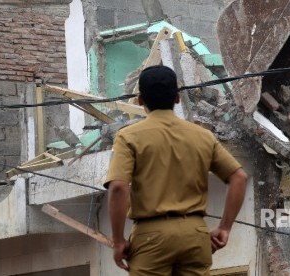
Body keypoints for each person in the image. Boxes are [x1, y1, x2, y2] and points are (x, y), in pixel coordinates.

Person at [104, 65, 248, 276]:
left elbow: (118, 187)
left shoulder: (129, 136)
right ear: (177, 98)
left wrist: (118, 241)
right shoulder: (202, 136)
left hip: (150, 237)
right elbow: (239, 177)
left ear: (140, 100)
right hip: (195, 234)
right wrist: (224, 227)